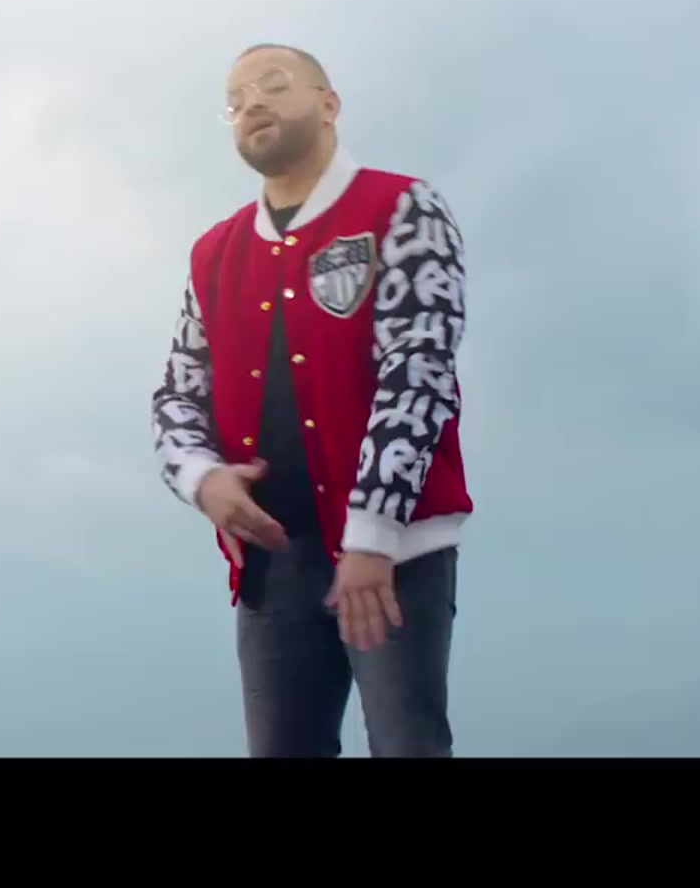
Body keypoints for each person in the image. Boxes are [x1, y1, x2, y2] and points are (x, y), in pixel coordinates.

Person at [150, 43, 474, 758]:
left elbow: (419, 367)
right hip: (273, 561)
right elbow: (178, 390)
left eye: (272, 85)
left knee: (407, 745)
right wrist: (203, 480)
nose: (251, 104)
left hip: (395, 555)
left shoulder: (402, 208)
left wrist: (373, 535)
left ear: (329, 104)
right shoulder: (213, 252)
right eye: (235, 101)